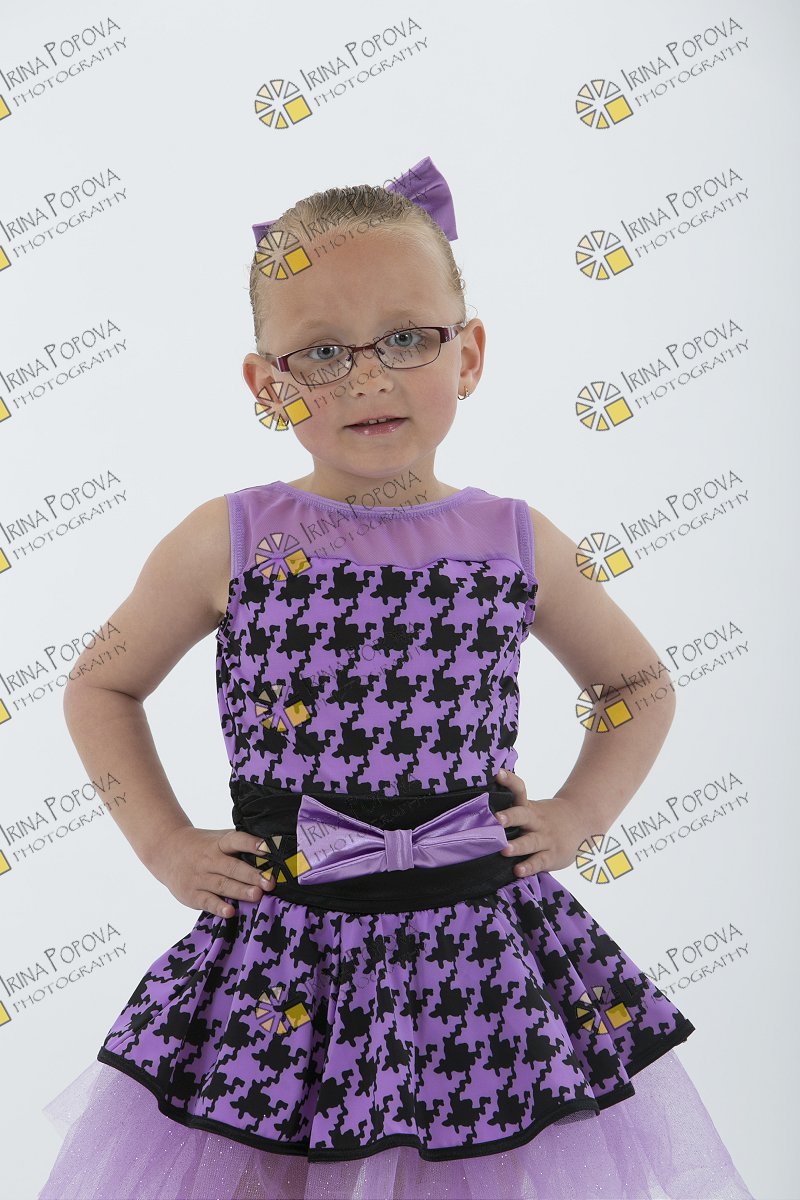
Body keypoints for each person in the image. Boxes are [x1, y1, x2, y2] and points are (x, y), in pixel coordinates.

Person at [36, 157, 756, 1200]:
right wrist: (164, 842)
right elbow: (101, 685)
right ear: (267, 384)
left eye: (408, 338)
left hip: (480, 949)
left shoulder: (514, 538)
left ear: (469, 355)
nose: (368, 377)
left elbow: (636, 683)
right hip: (285, 949)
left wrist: (577, 815)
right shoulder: (229, 539)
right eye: (323, 352)